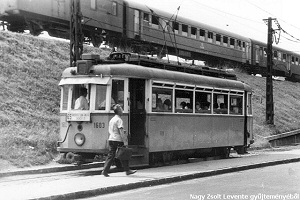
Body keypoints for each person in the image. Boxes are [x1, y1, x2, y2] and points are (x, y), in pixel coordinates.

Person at [101, 104, 137, 177]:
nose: (122, 111)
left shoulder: (112, 119)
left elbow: (109, 130)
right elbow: (121, 131)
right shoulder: (119, 120)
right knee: (124, 154)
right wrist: (125, 141)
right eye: (121, 109)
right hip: (118, 139)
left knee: (111, 155)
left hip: (111, 138)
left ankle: (105, 170)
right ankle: (127, 170)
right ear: (119, 111)